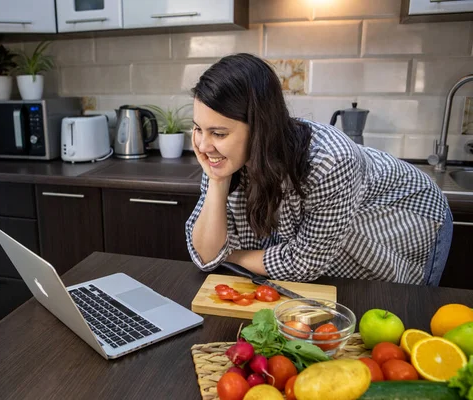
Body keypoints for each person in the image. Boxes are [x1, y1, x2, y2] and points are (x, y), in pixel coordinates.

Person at [185, 53, 452, 286]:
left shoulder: (331, 160)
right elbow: (206, 255)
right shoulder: (219, 156)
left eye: (218, 133)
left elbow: (305, 262)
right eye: (198, 128)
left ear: (260, 129)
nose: (204, 145)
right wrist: (217, 180)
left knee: (392, 303)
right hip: (336, 236)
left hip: (402, 211)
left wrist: (229, 255)